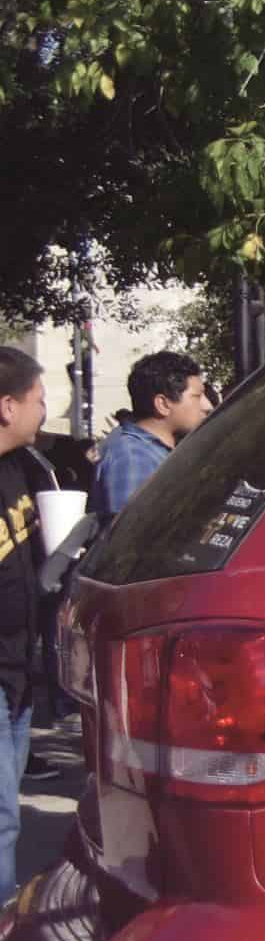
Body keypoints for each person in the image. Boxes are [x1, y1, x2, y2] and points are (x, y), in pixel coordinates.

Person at [0, 348, 59, 884]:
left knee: (7, 812)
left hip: (18, 672)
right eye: (38, 401)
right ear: (6, 407)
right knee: (2, 820)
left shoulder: (21, 468)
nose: (45, 411)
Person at [88, 348, 211, 520]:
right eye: (197, 396)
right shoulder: (133, 458)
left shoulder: (154, 451)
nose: (207, 406)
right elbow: (131, 534)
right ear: (163, 404)